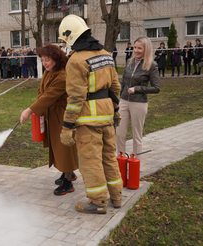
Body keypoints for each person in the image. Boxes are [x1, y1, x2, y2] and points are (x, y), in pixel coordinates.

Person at [58, 15, 123, 214]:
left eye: (64, 40)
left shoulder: (76, 60)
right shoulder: (105, 54)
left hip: (88, 121)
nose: (65, 45)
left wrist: (67, 127)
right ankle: (116, 197)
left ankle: (97, 202)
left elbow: (76, 97)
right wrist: (116, 112)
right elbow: (115, 87)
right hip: (107, 117)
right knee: (109, 158)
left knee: (90, 161)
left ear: (70, 37)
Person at [20, 44, 78, 196]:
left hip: (62, 114)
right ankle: (68, 172)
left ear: (56, 59)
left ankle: (68, 182)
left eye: (47, 60)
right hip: (52, 113)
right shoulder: (50, 71)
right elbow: (42, 90)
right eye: (43, 60)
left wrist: (29, 110)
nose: (44, 63)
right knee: (57, 146)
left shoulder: (62, 75)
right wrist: (38, 104)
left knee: (63, 147)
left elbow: (49, 96)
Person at [117, 36, 160, 161]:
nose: (136, 50)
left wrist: (137, 89)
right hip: (124, 101)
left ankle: (136, 164)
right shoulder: (129, 62)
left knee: (137, 135)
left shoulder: (152, 65)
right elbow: (123, 82)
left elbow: (156, 88)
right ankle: (121, 160)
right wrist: (119, 98)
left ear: (146, 49)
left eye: (139, 48)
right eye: (135, 47)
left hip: (139, 103)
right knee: (119, 133)